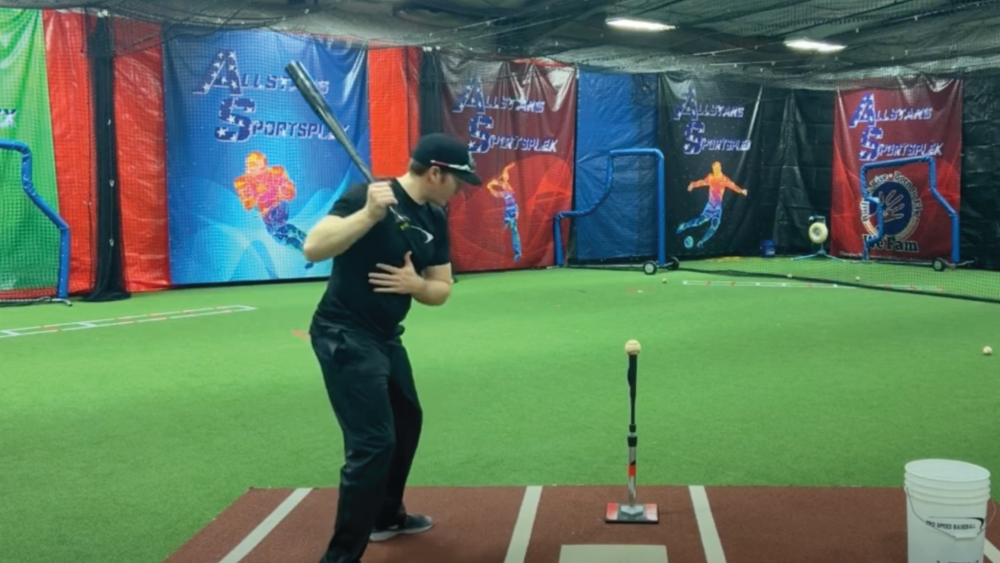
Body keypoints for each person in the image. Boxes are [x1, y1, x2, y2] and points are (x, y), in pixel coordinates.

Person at [302, 133, 482, 563]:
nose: (460, 190)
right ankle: (340, 557)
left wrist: (414, 284)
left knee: (407, 421)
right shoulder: (368, 195)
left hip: (384, 337)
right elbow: (314, 246)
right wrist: (367, 215)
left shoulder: (434, 217)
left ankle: (384, 515)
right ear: (436, 172)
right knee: (373, 444)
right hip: (343, 332)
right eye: (457, 180)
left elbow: (441, 287)